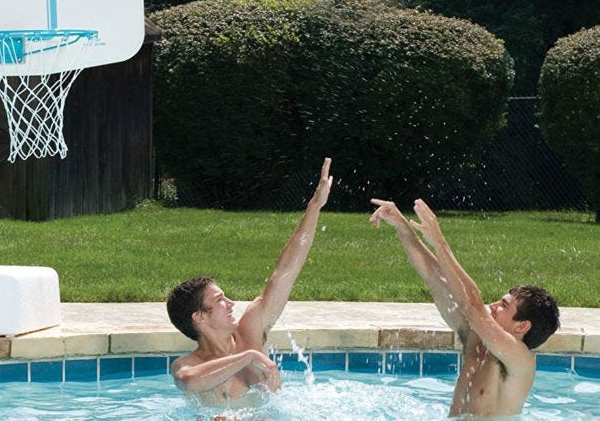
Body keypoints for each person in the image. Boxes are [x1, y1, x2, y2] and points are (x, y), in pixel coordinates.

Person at [370, 198, 559, 418]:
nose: (494, 306)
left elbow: (472, 306)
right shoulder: (476, 340)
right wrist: (401, 224)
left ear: (522, 326)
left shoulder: (520, 361)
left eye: (504, 305)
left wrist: (440, 242)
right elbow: (435, 276)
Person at [166, 158, 333, 405]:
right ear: (199, 317)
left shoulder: (251, 329)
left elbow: (285, 272)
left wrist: (315, 207)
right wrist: (248, 357)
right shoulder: (187, 366)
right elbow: (190, 382)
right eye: (219, 300)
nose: (231, 303)